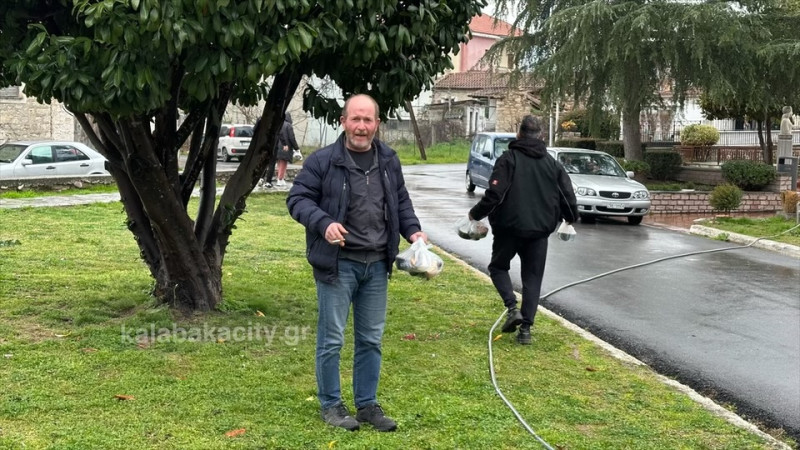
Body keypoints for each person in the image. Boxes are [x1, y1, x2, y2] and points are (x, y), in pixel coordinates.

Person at [286, 94, 428, 432]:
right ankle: (331, 405)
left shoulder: (389, 160)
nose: (361, 126)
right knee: (332, 340)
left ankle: (366, 405)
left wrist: (413, 231)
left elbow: (401, 202)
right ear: (343, 121)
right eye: (355, 119)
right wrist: (324, 223)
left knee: (371, 340)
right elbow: (297, 199)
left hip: (377, 264)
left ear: (377, 123)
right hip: (338, 264)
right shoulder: (323, 161)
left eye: (367, 120)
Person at [468, 115, 578, 345]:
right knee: (533, 278)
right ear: (541, 136)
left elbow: (495, 195)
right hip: (539, 232)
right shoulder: (552, 165)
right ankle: (525, 330)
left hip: (508, 228)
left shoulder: (508, 159)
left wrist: (475, 214)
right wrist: (570, 218)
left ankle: (512, 308)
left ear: (518, 134)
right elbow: (567, 196)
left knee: (498, 267)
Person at [260, 113, 300, 188]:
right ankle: (280, 179)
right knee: (283, 164)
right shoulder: (288, 125)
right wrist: (296, 148)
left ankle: (264, 178)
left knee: (275, 163)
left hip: (276, 146)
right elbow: (292, 138)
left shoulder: (278, 124)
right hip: (285, 147)